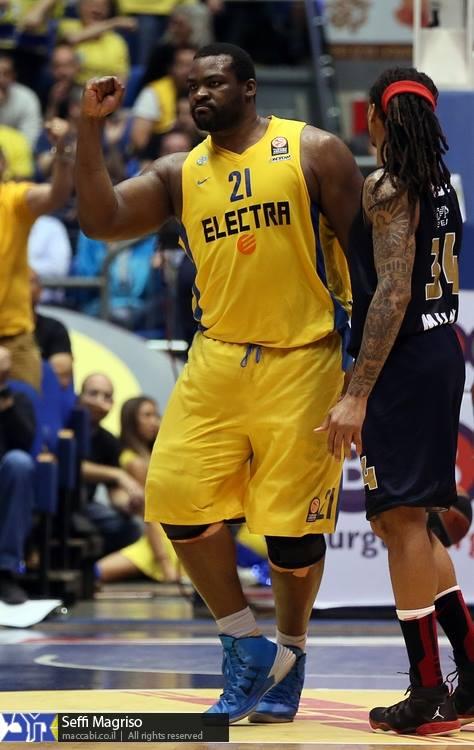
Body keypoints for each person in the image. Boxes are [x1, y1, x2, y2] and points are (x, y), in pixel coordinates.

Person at [75, 42, 362, 724]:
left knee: (291, 538)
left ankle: (291, 655)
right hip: (217, 356)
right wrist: (88, 129)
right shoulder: (179, 172)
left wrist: (362, 377)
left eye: (213, 83)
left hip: (305, 357)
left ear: (250, 88)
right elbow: (101, 219)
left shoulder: (314, 151)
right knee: (176, 500)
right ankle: (243, 643)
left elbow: (371, 271)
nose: (198, 94)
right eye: (191, 87)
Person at [320, 67, 474, 735]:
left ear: (378, 119)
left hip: (404, 361)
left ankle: (427, 692)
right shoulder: (442, 184)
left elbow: (391, 293)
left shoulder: (387, 186)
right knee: (416, 521)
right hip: (442, 350)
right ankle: (469, 673)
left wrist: (356, 392)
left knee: (399, 524)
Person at [0, 117, 73, 390]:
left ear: (3, 165)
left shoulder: (13, 199)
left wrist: (63, 152)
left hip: (14, 337)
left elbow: (57, 195)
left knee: (29, 410)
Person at [96, 396, 180, 583]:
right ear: (131, 421)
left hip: (162, 534)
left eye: (156, 415)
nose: (154, 421)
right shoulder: (135, 462)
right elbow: (148, 513)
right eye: (147, 415)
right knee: (98, 572)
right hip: (156, 537)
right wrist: (164, 561)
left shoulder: (150, 456)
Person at [79, 373, 144, 555]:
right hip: (57, 502)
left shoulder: (109, 441)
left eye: (106, 396)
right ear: (80, 396)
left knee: (132, 528)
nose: (99, 401)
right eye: (93, 393)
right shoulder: (66, 423)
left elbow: (113, 492)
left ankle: (92, 565)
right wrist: (118, 474)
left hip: (87, 507)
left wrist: (128, 504)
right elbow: (73, 467)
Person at [0, 346, 36, 604]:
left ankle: (5, 570)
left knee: (19, 463)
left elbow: (24, 441)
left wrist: (6, 407)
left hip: (5, 475)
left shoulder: (18, 399)